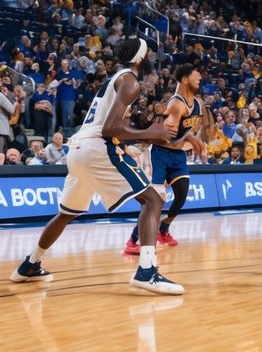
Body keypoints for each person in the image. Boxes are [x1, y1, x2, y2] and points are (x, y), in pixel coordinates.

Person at [11, 38, 203, 294]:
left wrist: (144, 135)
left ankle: (30, 264)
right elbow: (110, 128)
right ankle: (146, 271)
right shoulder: (130, 81)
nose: (151, 61)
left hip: (78, 148)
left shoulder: (116, 79)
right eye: (148, 56)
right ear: (139, 58)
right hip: (97, 148)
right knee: (154, 201)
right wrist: (150, 131)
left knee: (67, 213)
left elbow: (110, 126)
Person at [124, 64, 204, 253]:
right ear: (185, 79)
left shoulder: (198, 104)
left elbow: (187, 130)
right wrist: (141, 145)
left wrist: (192, 139)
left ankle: (164, 228)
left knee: (182, 194)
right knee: (155, 202)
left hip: (178, 155)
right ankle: (133, 240)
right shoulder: (176, 104)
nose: (199, 78)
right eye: (196, 76)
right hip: (159, 154)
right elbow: (169, 133)